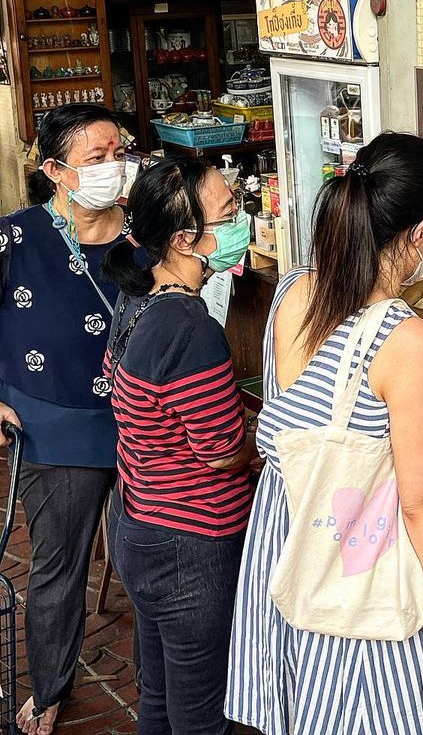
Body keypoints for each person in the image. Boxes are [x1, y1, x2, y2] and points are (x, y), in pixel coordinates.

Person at [226, 132, 423, 734]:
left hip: (283, 551)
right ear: (420, 235)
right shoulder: (405, 340)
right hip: (358, 572)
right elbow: (419, 501)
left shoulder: (292, 292)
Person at [102, 159, 257, 735]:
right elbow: (220, 451)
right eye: (229, 213)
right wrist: (262, 446)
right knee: (200, 715)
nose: (240, 219)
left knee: (161, 699)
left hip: (138, 520)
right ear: (186, 240)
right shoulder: (192, 329)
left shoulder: (134, 299)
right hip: (189, 542)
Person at [0, 104, 128, 735]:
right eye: (95, 159)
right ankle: (49, 688)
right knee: (58, 568)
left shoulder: (149, 236)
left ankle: (171, 685)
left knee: (154, 561)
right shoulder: (16, 236)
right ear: (55, 170)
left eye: (118, 153)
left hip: (146, 425)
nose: (114, 168)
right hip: (53, 427)